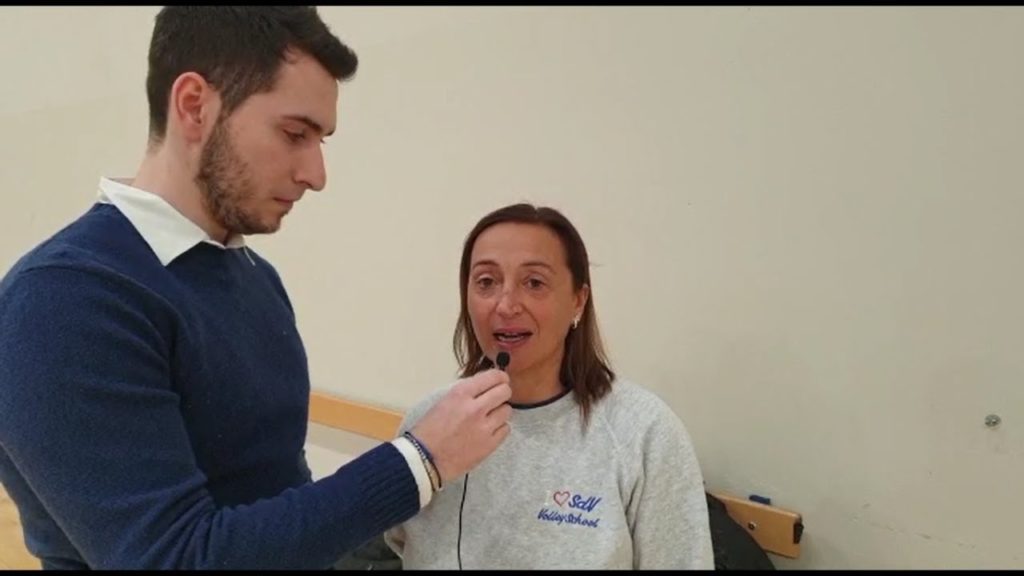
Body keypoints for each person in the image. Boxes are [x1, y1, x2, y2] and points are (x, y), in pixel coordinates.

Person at [0, 7, 512, 570]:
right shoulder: (63, 300)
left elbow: (279, 496)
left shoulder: (254, 278)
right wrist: (420, 461)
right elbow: (173, 558)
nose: (317, 174)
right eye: (295, 134)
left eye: (321, 140)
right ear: (194, 105)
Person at [383, 203, 715, 569]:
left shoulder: (645, 433)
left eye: (534, 283)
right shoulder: (429, 419)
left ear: (578, 300)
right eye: (486, 282)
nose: (506, 305)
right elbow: (397, 543)